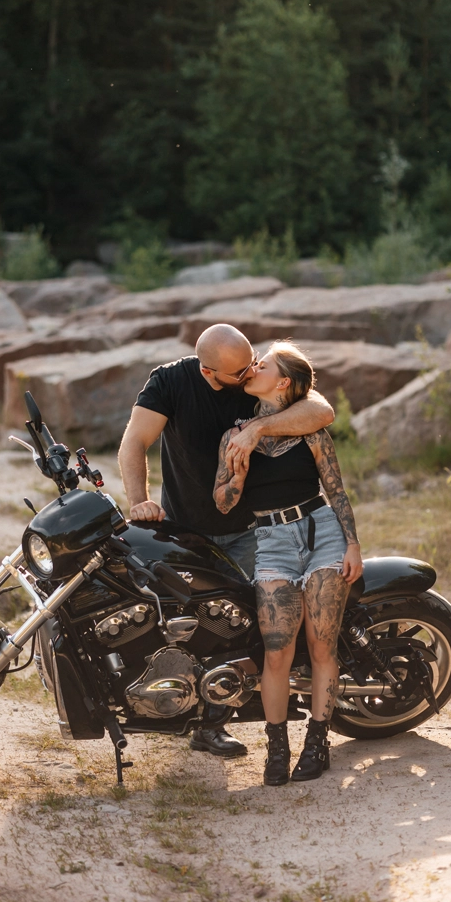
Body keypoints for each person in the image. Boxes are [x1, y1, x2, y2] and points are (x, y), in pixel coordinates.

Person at [118, 324, 334, 758]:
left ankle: (221, 723)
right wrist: (139, 501)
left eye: (253, 362)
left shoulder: (253, 378)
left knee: (257, 626)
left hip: (257, 529)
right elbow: (134, 442)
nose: (249, 373)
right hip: (188, 531)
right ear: (208, 372)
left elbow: (322, 411)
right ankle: (191, 712)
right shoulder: (170, 381)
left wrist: (257, 430)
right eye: (238, 372)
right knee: (200, 631)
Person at [213, 341, 363, 785]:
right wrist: (235, 474)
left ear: (282, 382)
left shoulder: (310, 429)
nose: (252, 365)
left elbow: (335, 490)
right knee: (277, 651)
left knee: (321, 645)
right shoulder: (234, 435)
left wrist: (352, 543)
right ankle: (276, 747)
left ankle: (318, 742)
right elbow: (223, 504)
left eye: (264, 363)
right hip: (272, 540)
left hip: (322, 534)